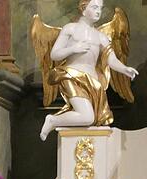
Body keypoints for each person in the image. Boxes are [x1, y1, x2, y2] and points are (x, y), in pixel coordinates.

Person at [35, 0, 138, 141]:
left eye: (100, 8)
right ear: (83, 9)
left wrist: (125, 69)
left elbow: (111, 60)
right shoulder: (70, 29)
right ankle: (53, 120)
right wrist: (73, 49)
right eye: (94, 7)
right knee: (87, 116)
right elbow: (54, 54)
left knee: (91, 118)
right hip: (72, 76)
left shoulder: (101, 36)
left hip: (94, 83)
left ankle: (58, 122)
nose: (98, 11)